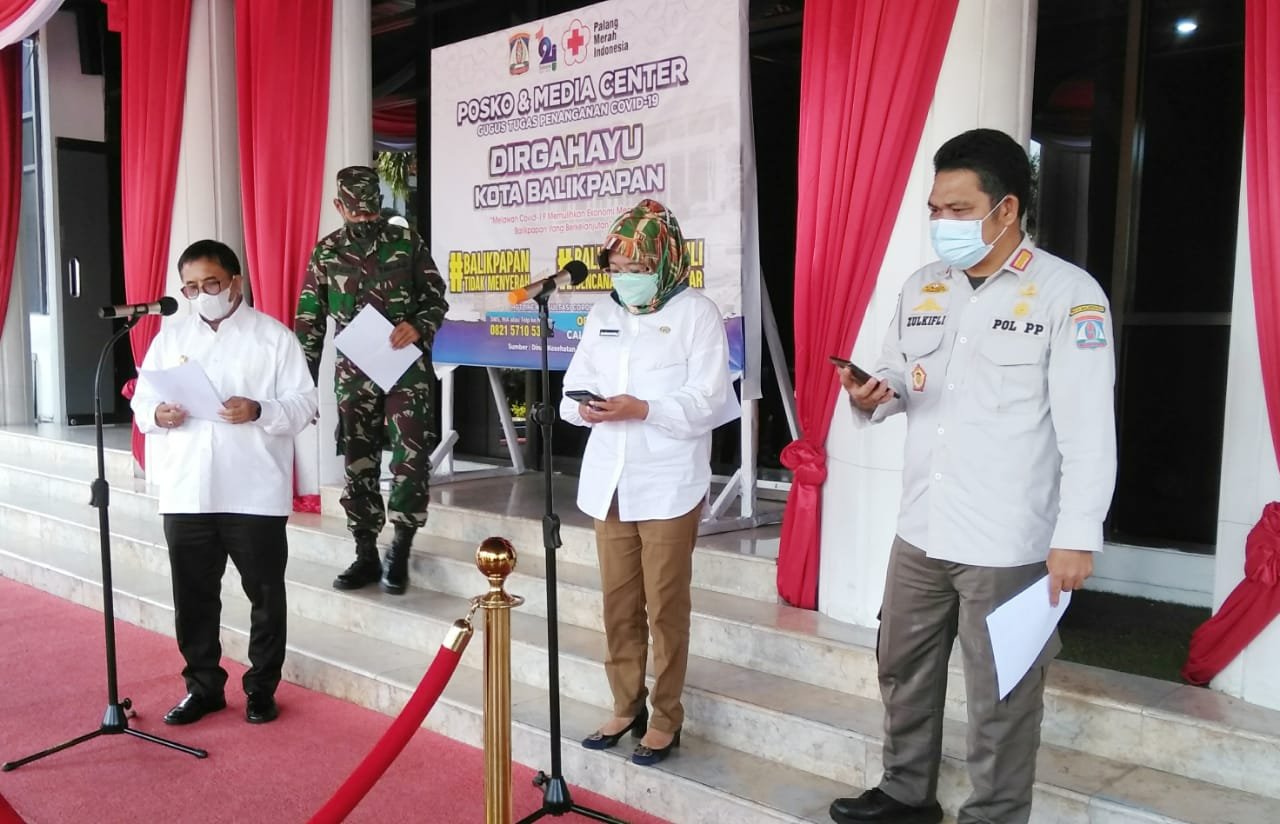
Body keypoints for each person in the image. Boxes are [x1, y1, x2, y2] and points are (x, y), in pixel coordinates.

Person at [827, 129, 1117, 824]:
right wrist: (876, 394)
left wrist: (1077, 535)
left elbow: (1088, 429)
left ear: (1006, 208)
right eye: (935, 208)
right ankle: (905, 793)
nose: (941, 224)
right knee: (902, 667)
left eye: (958, 209)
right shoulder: (923, 286)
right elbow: (900, 373)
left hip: (1009, 539)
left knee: (1003, 694)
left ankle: (994, 814)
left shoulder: (1068, 296)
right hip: (922, 525)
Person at [562, 199, 732, 767]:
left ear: (664, 259)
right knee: (618, 604)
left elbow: (709, 400)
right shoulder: (602, 314)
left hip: (668, 482)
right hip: (608, 481)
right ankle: (625, 704)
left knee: (665, 606)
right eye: (616, 265)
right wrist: (584, 409)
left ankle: (666, 717)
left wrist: (644, 408)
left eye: (636, 265)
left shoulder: (696, 313)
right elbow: (575, 385)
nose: (624, 277)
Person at [132, 240, 318, 725]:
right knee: (192, 596)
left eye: (211, 284)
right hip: (187, 488)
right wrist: (158, 412)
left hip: (253, 488)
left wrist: (260, 409)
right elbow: (141, 402)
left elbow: (304, 405)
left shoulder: (273, 338)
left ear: (236, 281)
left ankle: (261, 688)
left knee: (264, 595)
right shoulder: (170, 338)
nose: (201, 294)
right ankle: (203, 687)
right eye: (191, 287)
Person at [295, 166, 449, 595]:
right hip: (354, 370)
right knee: (358, 457)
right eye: (356, 215)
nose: (365, 221)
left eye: (370, 214)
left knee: (411, 455)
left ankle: (400, 545)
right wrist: (301, 388)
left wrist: (418, 324)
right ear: (339, 207)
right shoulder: (326, 253)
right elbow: (309, 322)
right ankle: (365, 550)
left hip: (405, 367)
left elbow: (436, 295)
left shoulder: (406, 241)